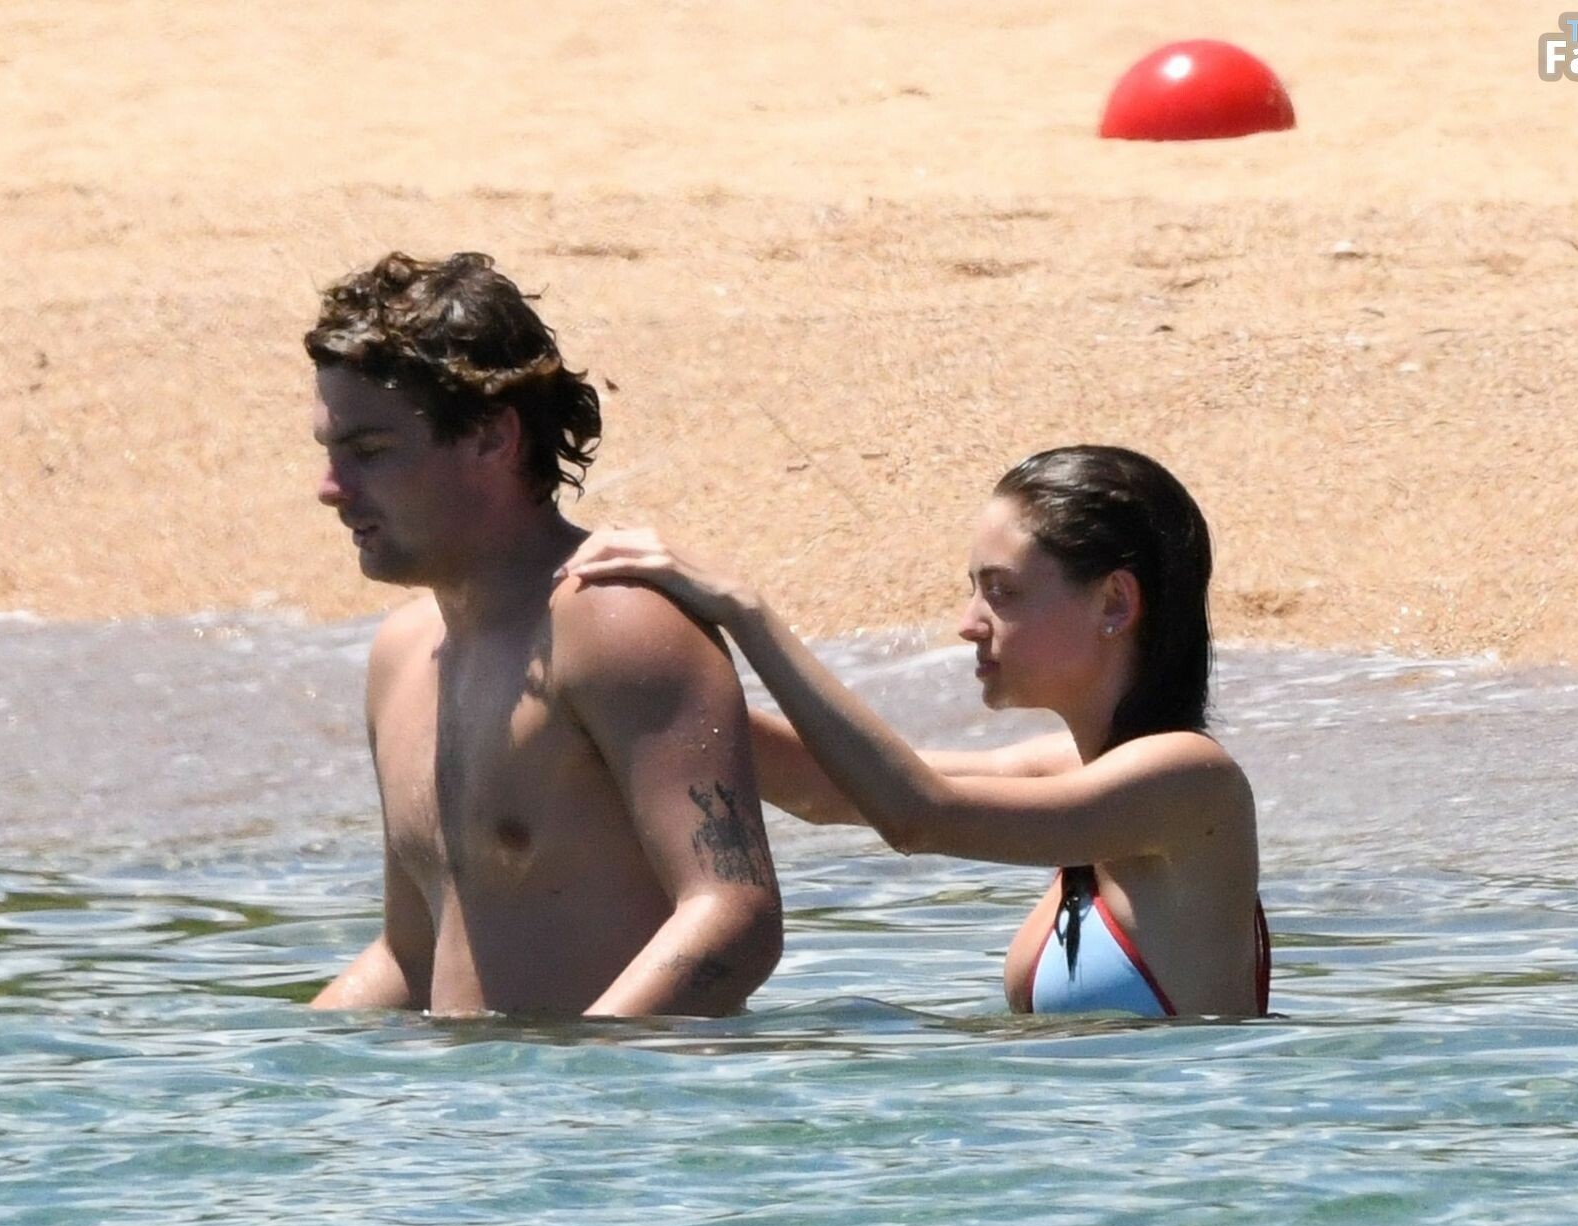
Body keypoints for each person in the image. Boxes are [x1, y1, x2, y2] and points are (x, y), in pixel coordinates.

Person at [558, 446, 1269, 1018]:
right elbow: (827, 789)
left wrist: (747, 612)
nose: (968, 622)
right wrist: (611, 689)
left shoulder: (1189, 782)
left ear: (1114, 602)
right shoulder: (1075, 768)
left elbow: (917, 814)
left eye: (1002, 591)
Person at [304, 251, 782, 1019]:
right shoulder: (402, 655)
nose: (330, 489)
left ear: (493, 437)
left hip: (621, 1094)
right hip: (474, 1096)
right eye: (329, 452)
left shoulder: (615, 623)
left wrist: (578, 1072)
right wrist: (276, 1067)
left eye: (369, 452)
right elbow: (410, 956)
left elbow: (733, 914)